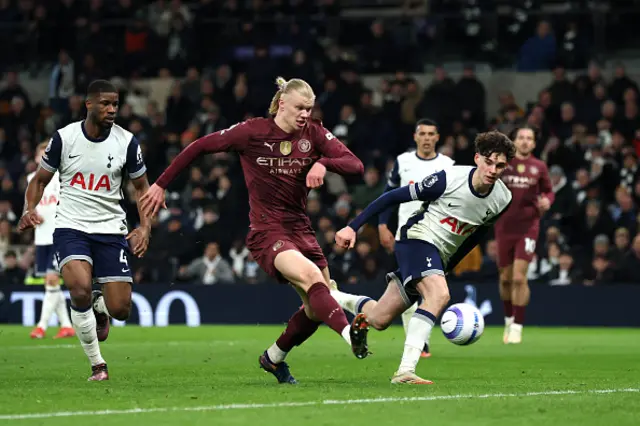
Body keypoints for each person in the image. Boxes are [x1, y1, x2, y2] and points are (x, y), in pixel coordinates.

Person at [140, 76, 367, 384]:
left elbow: (356, 166)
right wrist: (160, 184)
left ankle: (273, 358)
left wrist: (324, 163)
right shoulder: (252, 131)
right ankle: (349, 333)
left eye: (309, 109)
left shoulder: (314, 134)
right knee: (315, 281)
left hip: (301, 229)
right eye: (300, 108)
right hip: (267, 231)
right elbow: (199, 146)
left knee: (315, 309)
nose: (305, 115)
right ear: (283, 103)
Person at [331, 131, 514, 384]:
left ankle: (330, 295)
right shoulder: (449, 178)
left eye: (500, 165)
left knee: (380, 319)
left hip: (438, 256)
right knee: (439, 295)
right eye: (489, 161)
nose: (493, 169)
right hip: (416, 239)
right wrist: (353, 226)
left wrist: (448, 265)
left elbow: (474, 236)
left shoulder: (503, 199)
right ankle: (405, 370)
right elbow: (392, 196)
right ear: (477, 158)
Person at [19, 80, 151, 381]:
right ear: (88, 104)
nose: (112, 109)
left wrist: (145, 227)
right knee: (77, 289)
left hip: (111, 229)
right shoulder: (65, 138)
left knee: (121, 310)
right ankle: (98, 365)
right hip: (71, 226)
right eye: (105, 103)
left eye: (115, 103)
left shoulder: (127, 142)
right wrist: (29, 210)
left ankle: (99, 303)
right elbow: (39, 180)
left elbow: (142, 188)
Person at [378, 118, 454, 358]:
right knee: (413, 286)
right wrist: (382, 225)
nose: (427, 138)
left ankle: (419, 340)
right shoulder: (403, 161)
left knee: (431, 290)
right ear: (415, 136)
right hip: (407, 235)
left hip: (437, 234)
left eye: (432, 134)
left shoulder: (448, 165)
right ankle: (420, 343)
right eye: (423, 134)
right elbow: (389, 194)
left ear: (438, 138)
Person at [495, 126, 553, 344]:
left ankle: (517, 326)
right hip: (503, 227)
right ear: (514, 141)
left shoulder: (539, 167)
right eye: (521, 137)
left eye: (530, 138)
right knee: (505, 279)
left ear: (535, 143)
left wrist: (547, 201)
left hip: (528, 227)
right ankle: (508, 319)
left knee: (520, 277)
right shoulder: (503, 164)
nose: (525, 141)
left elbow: (548, 191)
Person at [28, 141, 75, 340]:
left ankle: (41, 326)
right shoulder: (31, 178)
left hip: (59, 235)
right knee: (51, 285)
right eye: (41, 153)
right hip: (41, 237)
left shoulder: (61, 177)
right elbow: (28, 205)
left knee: (52, 279)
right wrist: (30, 214)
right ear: (36, 158)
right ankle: (66, 325)